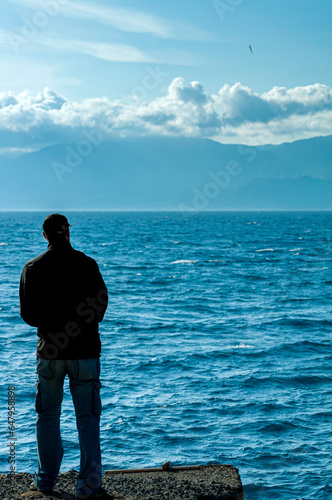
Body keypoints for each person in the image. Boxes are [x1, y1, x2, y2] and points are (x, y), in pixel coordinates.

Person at [19, 213, 109, 499]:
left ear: (45, 235)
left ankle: (45, 481)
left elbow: (28, 316)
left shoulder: (32, 268)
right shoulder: (87, 264)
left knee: (47, 417)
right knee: (88, 418)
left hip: (50, 352)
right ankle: (88, 485)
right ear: (67, 233)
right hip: (85, 352)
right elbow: (101, 303)